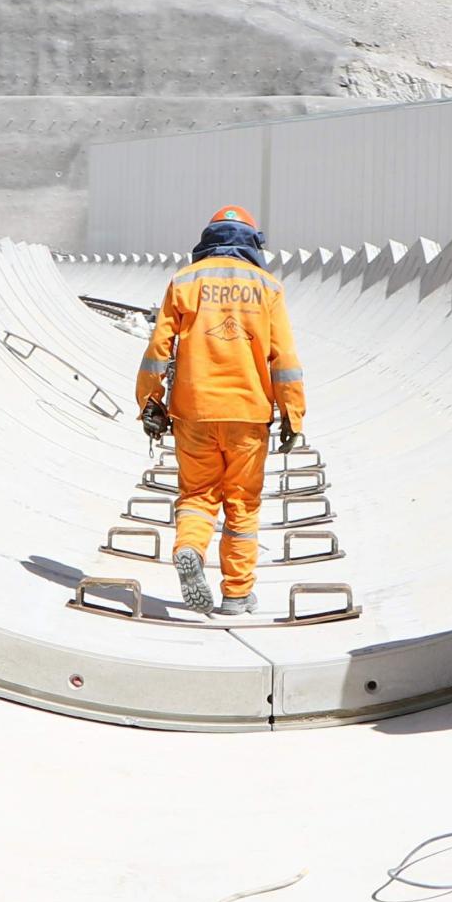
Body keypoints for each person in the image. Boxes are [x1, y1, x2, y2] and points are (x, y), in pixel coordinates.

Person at [135, 206, 306, 616]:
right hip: (248, 413)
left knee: (197, 495)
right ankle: (236, 592)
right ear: (252, 242)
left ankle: (190, 547)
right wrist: (293, 414)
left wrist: (149, 402)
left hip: (193, 412)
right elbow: (283, 358)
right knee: (242, 503)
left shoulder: (184, 281)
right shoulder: (268, 287)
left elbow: (159, 350)